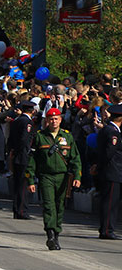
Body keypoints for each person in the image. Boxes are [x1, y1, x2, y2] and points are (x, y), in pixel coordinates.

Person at [26, 107, 81, 250]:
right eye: (51, 118)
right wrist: (30, 180)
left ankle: (56, 234)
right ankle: (50, 234)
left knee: (59, 206)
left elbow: (75, 158)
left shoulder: (67, 137)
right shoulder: (40, 136)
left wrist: (77, 176)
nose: (54, 121)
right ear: (47, 120)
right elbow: (32, 160)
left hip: (62, 177)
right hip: (46, 176)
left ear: (60, 120)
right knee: (49, 205)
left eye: (56, 118)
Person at [96, 104, 122, 240]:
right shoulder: (113, 132)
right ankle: (107, 230)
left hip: (108, 171)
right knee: (110, 202)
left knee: (109, 201)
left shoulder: (107, 129)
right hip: (112, 170)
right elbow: (109, 153)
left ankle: (105, 228)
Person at [7, 100, 37, 219]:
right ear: (32, 111)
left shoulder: (17, 120)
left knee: (17, 184)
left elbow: (11, 138)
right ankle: (22, 210)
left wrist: (11, 151)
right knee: (23, 184)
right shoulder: (27, 122)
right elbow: (24, 140)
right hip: (23, 156)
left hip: (16, 155)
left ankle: (16, 209)